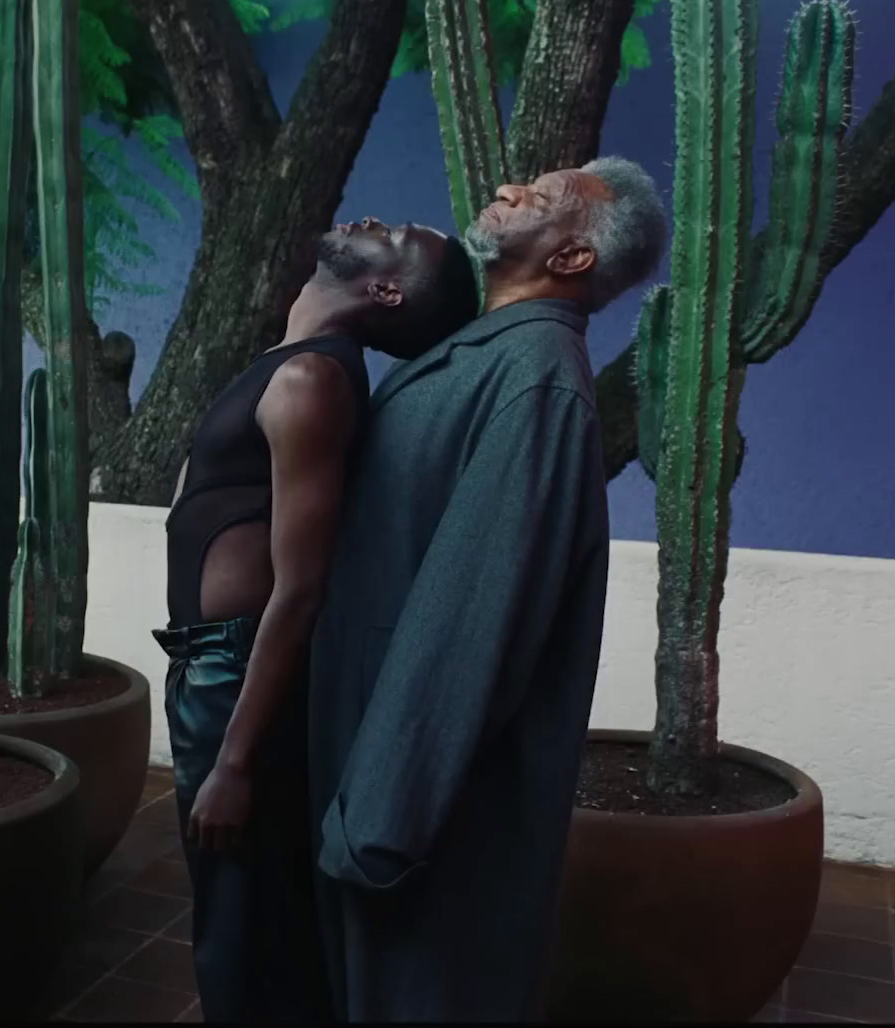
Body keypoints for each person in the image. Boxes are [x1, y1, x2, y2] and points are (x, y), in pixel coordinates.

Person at [307, 157, 669, 1022]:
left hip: (409, 816)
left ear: (574, 259)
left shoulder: (536, 380)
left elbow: (474, 610)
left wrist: (382, 821)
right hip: (363, 760)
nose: (508, 190)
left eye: (539, 199)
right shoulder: (482, 351)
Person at [152, 218, 482, 1023]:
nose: (380, 223)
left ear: (386, 290)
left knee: (244, 917)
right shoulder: (290, 364)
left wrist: (238, 760)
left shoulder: (313, 381)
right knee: (237, 905)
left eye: (400, 239)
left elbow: (301, 588)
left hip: (236, 677)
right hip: (211, 666)